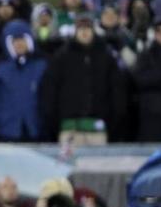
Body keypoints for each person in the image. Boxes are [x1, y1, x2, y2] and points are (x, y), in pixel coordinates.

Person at [47, 13, 123, 144]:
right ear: (75, 31)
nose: (84, 32)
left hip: (98, 127)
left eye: (87, 28)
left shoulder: (106, 56)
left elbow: (116, 91)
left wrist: (113, 121)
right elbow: (51, 90)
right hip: (69, 127)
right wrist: (55, 122)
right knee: (68, 164)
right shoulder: (62, 57)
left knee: (98, 164)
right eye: (81, 29)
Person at [0, 20, 49, 142]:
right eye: (14, 40)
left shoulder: (41, 64)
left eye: (22, 39)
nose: (19, 44)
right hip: (6, 127)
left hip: (34, 126)